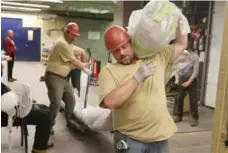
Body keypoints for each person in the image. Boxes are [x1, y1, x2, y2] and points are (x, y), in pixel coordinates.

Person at [98, 25, 188, 153]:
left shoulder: (156, 57)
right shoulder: (109, 71)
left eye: (124, 46)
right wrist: (136, 78)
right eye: (116, 51)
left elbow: (181, 44)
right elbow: (109, 102)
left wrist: (181, 22)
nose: (122, 53)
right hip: (130, 140)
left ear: (131, 42)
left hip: (160, 139)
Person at [44, 22, 92, 135]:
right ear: (66, 32)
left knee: (71, 100)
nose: (74, 37)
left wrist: (83, 53)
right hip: (54, 77)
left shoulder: (68, 43)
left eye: (76, 35)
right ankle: (48, 126)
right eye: (72, 34)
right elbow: (73, 61)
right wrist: (86, 69)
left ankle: (69, 120)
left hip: (64, 79)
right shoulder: (62, 43)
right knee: (56, 102)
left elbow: (79, 50)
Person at [1, 65, 53, 153]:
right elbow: (6, 105)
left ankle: (42, 141)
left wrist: (27, 103)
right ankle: (39, 149)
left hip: (13, 109)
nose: (2, 68)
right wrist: (26, 105)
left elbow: (10, 97)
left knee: (45, 108)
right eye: (1, 67)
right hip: (8, 115)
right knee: (44, 116)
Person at [173, 49, 200, 127]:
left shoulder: (194, 57)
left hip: (192, 78)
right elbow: (176, 68)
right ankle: (179, 116)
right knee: (179, 97)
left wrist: (188, 82)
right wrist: (177, 79)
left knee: (193, 99)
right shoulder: (179, 56)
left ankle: (195, 118)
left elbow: (195, 72)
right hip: (182, 78)